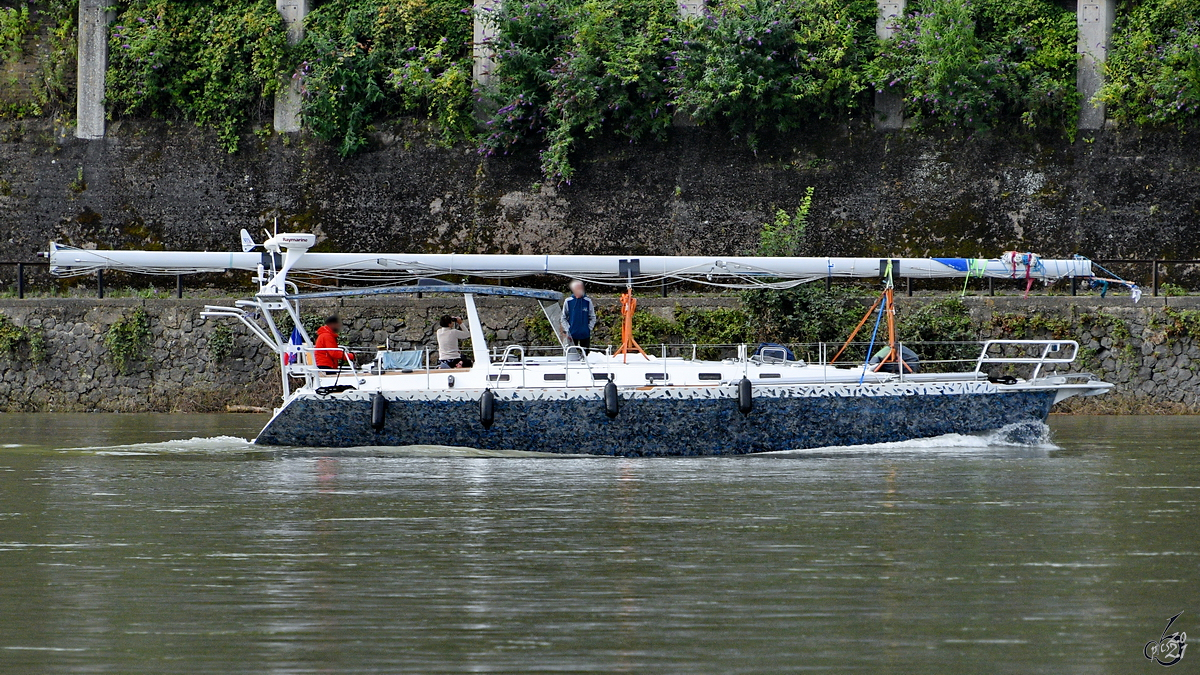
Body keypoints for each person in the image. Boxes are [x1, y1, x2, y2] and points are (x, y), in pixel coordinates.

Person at [560, 280, 596, 350]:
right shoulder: (568, 301)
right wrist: (568, 329)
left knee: (585, 355)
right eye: (578, 288)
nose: (580, 290)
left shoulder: (588, 301)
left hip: (585, 334)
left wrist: (589, 328)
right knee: (572, 355)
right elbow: (563, 317)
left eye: (581, 288)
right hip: (572, 335)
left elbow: (592, 317)